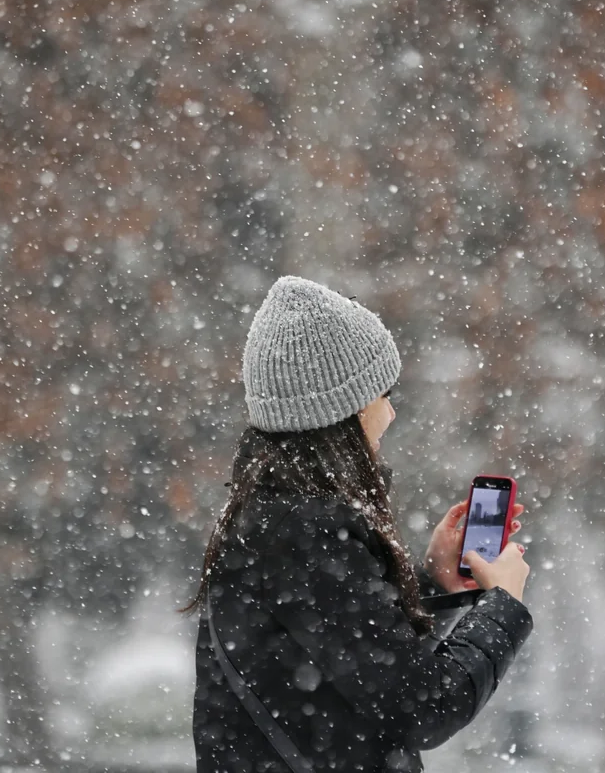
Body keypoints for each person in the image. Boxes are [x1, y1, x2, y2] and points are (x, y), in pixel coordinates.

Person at [186, 276, 533, 772]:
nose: (389, 412)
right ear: (342, 408)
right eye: (383, 393)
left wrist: (431, 580)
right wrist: (504, 605)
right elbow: (424, 707)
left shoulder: (269, 517)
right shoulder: (306, 530)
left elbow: (349, 662)